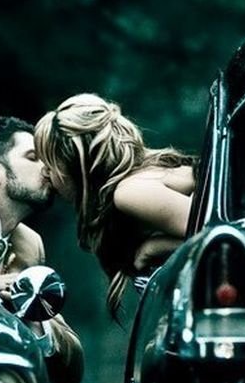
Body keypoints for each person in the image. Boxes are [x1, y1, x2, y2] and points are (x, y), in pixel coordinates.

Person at [34, 93, 197, 318]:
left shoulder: (129, 192)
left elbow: (219, 232)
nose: (45, 172)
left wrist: (152, 248)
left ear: (75, 165)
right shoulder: (131, 185)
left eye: (50, 163)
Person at [0, 116, 84, 383]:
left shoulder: (28, 247)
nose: (48, 168)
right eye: (33, 157)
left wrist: (31, 318)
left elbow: (70, 370)